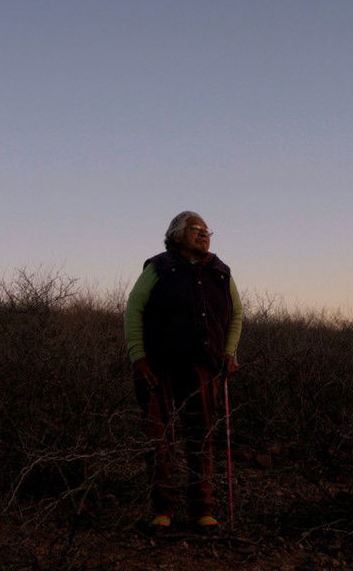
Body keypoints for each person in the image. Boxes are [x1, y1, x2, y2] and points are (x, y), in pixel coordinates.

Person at [124, 211, 242, 533]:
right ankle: (163, 510)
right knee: (159, 438)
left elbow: (237, 314)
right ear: (176, 235)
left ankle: (203, 510)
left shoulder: (221, 271)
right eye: (196, 229)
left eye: (207, 230)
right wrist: (138, 356)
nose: (204, 234)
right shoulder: (159, 267)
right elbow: (134, 309)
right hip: (158, 365)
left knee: (201, 436)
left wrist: (230, 352)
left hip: (204, 365)